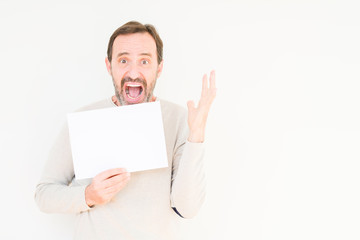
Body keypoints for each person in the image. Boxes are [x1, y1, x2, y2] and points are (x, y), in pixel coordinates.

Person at [35, 21, 216, 240]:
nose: (133, 72)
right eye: (123, 60)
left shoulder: (179, 119)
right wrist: (88, 195)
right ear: (109, 65)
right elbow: (44, 195)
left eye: (144, 61)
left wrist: (195, 136)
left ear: (159, 68)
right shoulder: (84, 121)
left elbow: (187, 208)